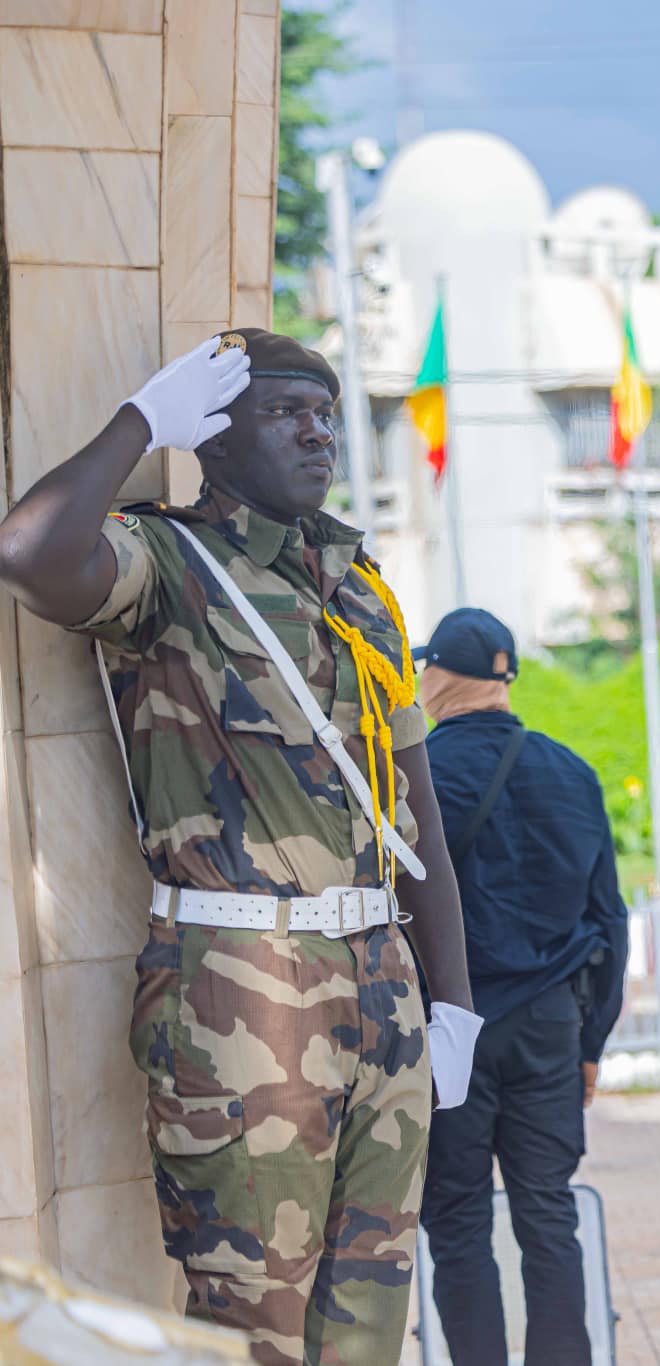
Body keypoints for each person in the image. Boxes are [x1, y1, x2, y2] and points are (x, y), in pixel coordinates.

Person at [0, 329, 481, 1365]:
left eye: (324, 416)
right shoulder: (172, 565)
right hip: (240, 985)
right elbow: (30, 550)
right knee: (253, 1328)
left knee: (367, 1331)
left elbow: (418, 811)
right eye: (283, 414)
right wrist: (139, 422)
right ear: (211, 436)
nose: (316, 435)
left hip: (382, 981)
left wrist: (454, 997)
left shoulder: (358, 586)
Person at [414, 606, 629, 1366]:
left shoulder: (417, 775)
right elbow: (610, 918)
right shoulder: (572, 772)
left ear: (441, 676)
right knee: (548, 1212)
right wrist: (591, 1042)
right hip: (550, 1026)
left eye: (424, 667)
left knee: (458, 1220)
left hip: (450, 1029)